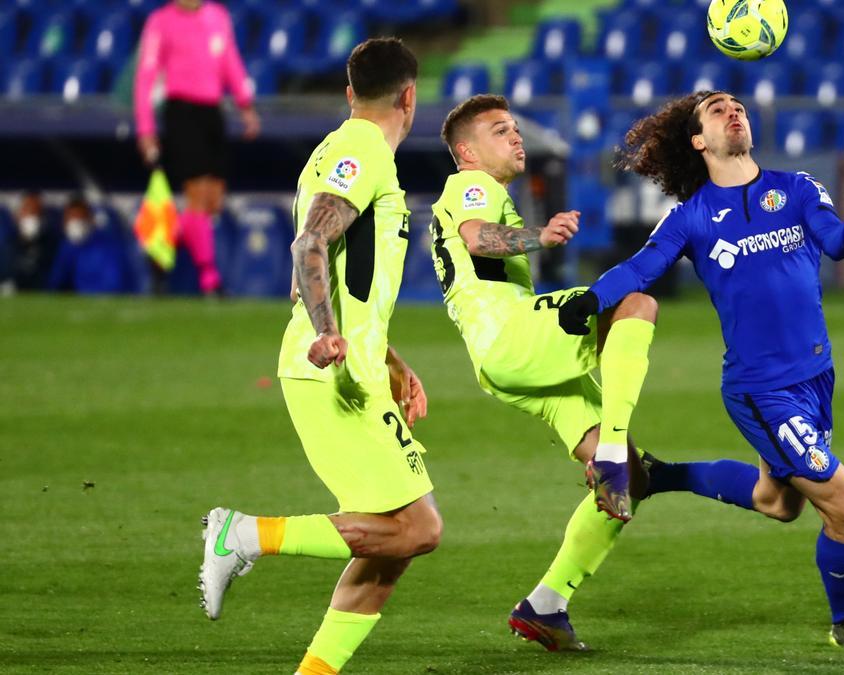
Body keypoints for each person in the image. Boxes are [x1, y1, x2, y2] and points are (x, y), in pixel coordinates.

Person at [556, 91, 844, 647]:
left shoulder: (798, 188)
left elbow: (835, 243)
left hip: (816, 376)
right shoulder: (691, 218)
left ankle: (664, 476)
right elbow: (642, 267)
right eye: (717, 109)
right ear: (698, 140)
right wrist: (592, 299)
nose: (732, 111)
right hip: (762, 391)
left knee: (778, 503)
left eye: (737, 106)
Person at [197, 38, 442, 675]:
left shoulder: (335, 149)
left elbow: (337, 268)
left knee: (386, 555)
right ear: (409, 95)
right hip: (329, 368)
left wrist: (388, 357)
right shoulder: (363, 148)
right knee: (417, 529)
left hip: (348, 363)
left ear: (349, 91)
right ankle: (243, 535)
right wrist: (332, 334)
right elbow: (309, 246)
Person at [428, 93, 691, 651]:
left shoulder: (489, 193)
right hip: (511, 335)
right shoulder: (471, 187)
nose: (516, 137)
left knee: (631, 484)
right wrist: (537, 237)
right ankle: (614, 452)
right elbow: (478, 238)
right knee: (634, 303)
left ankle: (546, 606)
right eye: (500, 131)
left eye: (516, 128)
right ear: (466, 152)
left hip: (504, 360)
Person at [134, 0, 261, 295]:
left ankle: (160, 248)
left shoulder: (218, 16)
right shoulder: (160, 22)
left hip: (211, 112)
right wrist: (146, 128)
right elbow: (146, 75)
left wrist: (245, 104)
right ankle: (210, 278)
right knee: (198, 192)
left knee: (214, 199)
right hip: (181, 111)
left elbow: (230, 60)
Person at [48, 195, 137, 294]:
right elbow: (55, 280)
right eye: (71, 219)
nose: (75, 224)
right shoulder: (66, 247)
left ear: (90, 219)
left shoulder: (107, 245)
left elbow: (113, 284)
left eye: (80, 218)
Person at [8, 192, 61, 291]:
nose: (33, 216)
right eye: (28, 211)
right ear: (17, 215)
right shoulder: (7, 244)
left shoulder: (52, 245)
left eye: (37, 212)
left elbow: (56, 278)